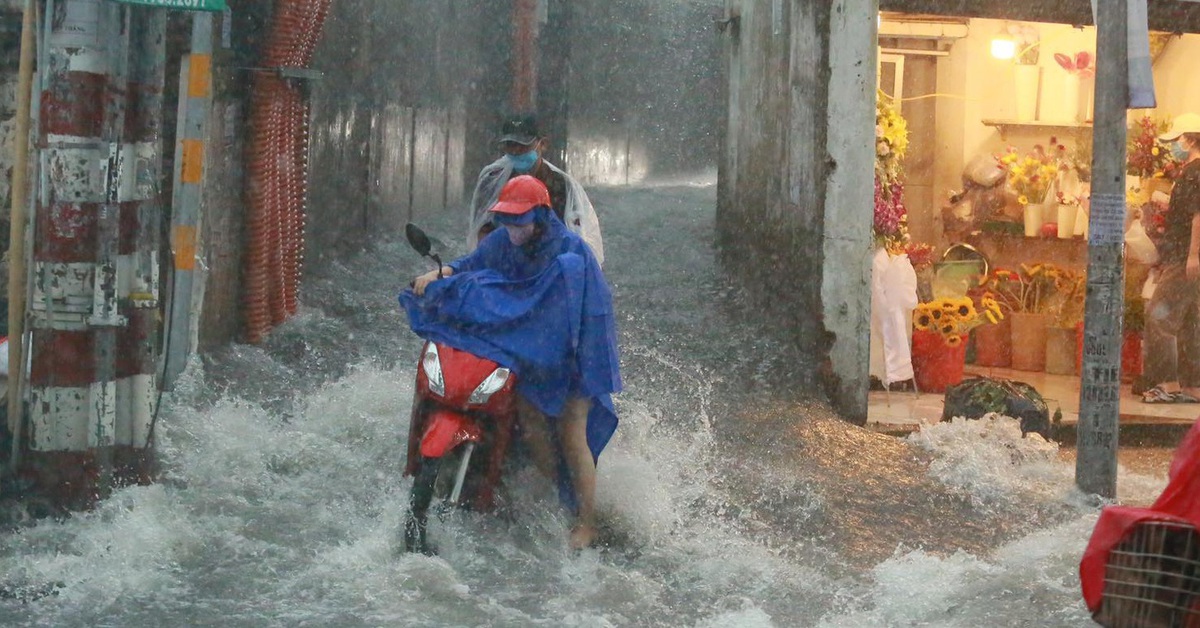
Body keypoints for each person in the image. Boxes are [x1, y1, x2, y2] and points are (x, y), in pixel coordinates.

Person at [403, 175, 621, 549]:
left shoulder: (570, 254)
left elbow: (584, 312)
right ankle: (556, 494)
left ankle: (586, 522)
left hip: (574, 351)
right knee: (531, 422)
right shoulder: (504, 239)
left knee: (572, 432)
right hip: (531, 347)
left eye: (520, 219)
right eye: (507, 218)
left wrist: (567, 355)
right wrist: (442, 273)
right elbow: (474, 264)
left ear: (539, 215)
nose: (513, 227)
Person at [467, 114, 604, 265]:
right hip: (503, 262)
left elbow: (573, 236)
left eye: (523, 145)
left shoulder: (561, 185)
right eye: (510, 145)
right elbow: (482, 227)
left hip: (548, 265)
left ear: (543, 144)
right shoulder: (492, 179)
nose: (516, 151)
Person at [1142, 113, 1200, 403]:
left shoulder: (1193, 172)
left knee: (1159, 315)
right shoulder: (1192, 172)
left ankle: (1167, 383)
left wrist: (1192, 255)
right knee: (1191, 320)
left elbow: (1198, 215)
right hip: (1188, 255)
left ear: (1189, 140)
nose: (1176, 145)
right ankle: (1193, 385)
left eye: (1179, 139)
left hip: (1184, 256)